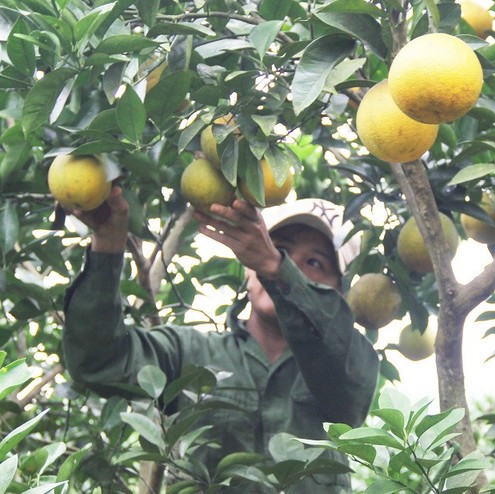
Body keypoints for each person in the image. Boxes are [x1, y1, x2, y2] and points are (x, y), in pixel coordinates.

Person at [61, 186, 380, 493]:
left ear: (337, 292)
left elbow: (351, 392)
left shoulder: (348, 365)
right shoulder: (191, 353)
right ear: (248, 268)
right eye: (278, 249)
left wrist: (276, 267)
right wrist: (107, 244)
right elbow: (99, 361)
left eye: (314, 263)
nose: (289, 263)